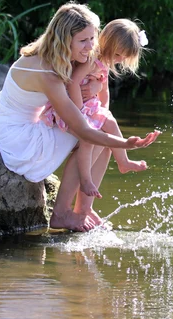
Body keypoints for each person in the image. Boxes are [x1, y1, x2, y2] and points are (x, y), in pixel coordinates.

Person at [0, 2, 160, 232]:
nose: (91, 47)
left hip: (16, 124)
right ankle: (61, 213)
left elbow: (96, 85)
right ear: (64, 38)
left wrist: (97, 87)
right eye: (83, 40)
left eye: (92, 39)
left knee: (102, 136)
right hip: (20, 139)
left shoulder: (54, 56)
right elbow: (82, 128)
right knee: (96, 135)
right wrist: (125, 144)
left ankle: (83, 208)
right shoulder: (48, 74)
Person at [40, 18, 150, 199]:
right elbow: (73, 82)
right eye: (117, 55)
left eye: (123, 58)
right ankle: (85, 179)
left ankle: (123, 162)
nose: (119, 60)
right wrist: (79, 112)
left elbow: (104, 92)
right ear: (107, 43)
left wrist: (104, 112)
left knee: (111, 123)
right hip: (71, 106)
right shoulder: (91, 59)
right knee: (89, 137)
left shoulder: (104, 62)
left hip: (88, 106)